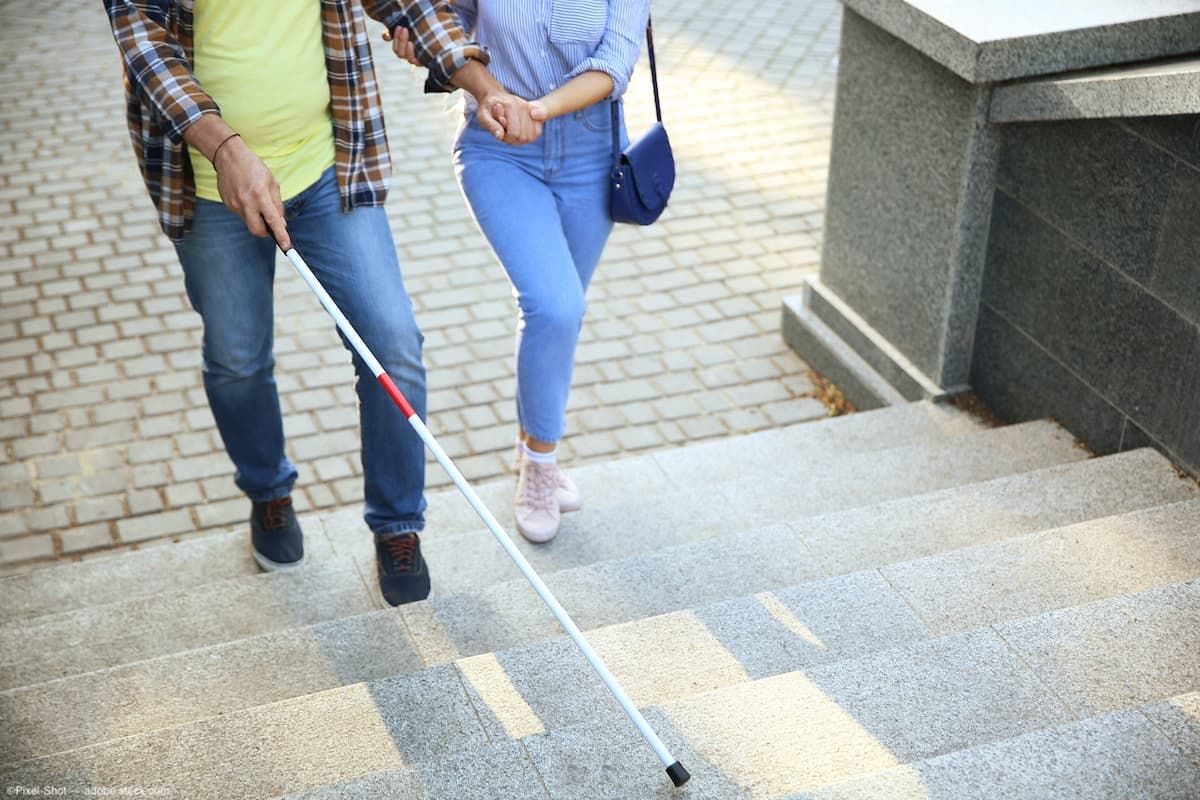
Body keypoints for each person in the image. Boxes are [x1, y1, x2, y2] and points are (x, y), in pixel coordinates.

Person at [103, 0, 539, 606]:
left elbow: (408, 5)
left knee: (393, 345)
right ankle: (269, 492)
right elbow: (145, 46)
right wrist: (228, 150)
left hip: (328, 164)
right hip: (208, 184)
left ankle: (398, 526)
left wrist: (483, 85)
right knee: (237, 358)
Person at [390, 0, 651, 543]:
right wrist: (425, 48)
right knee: (554, 305)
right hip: (498, 148)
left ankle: (532, 441)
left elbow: (616, 60)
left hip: (591, 153)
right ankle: (539, 465)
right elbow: (446, 20)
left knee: (557, 315)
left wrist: (536, 110)